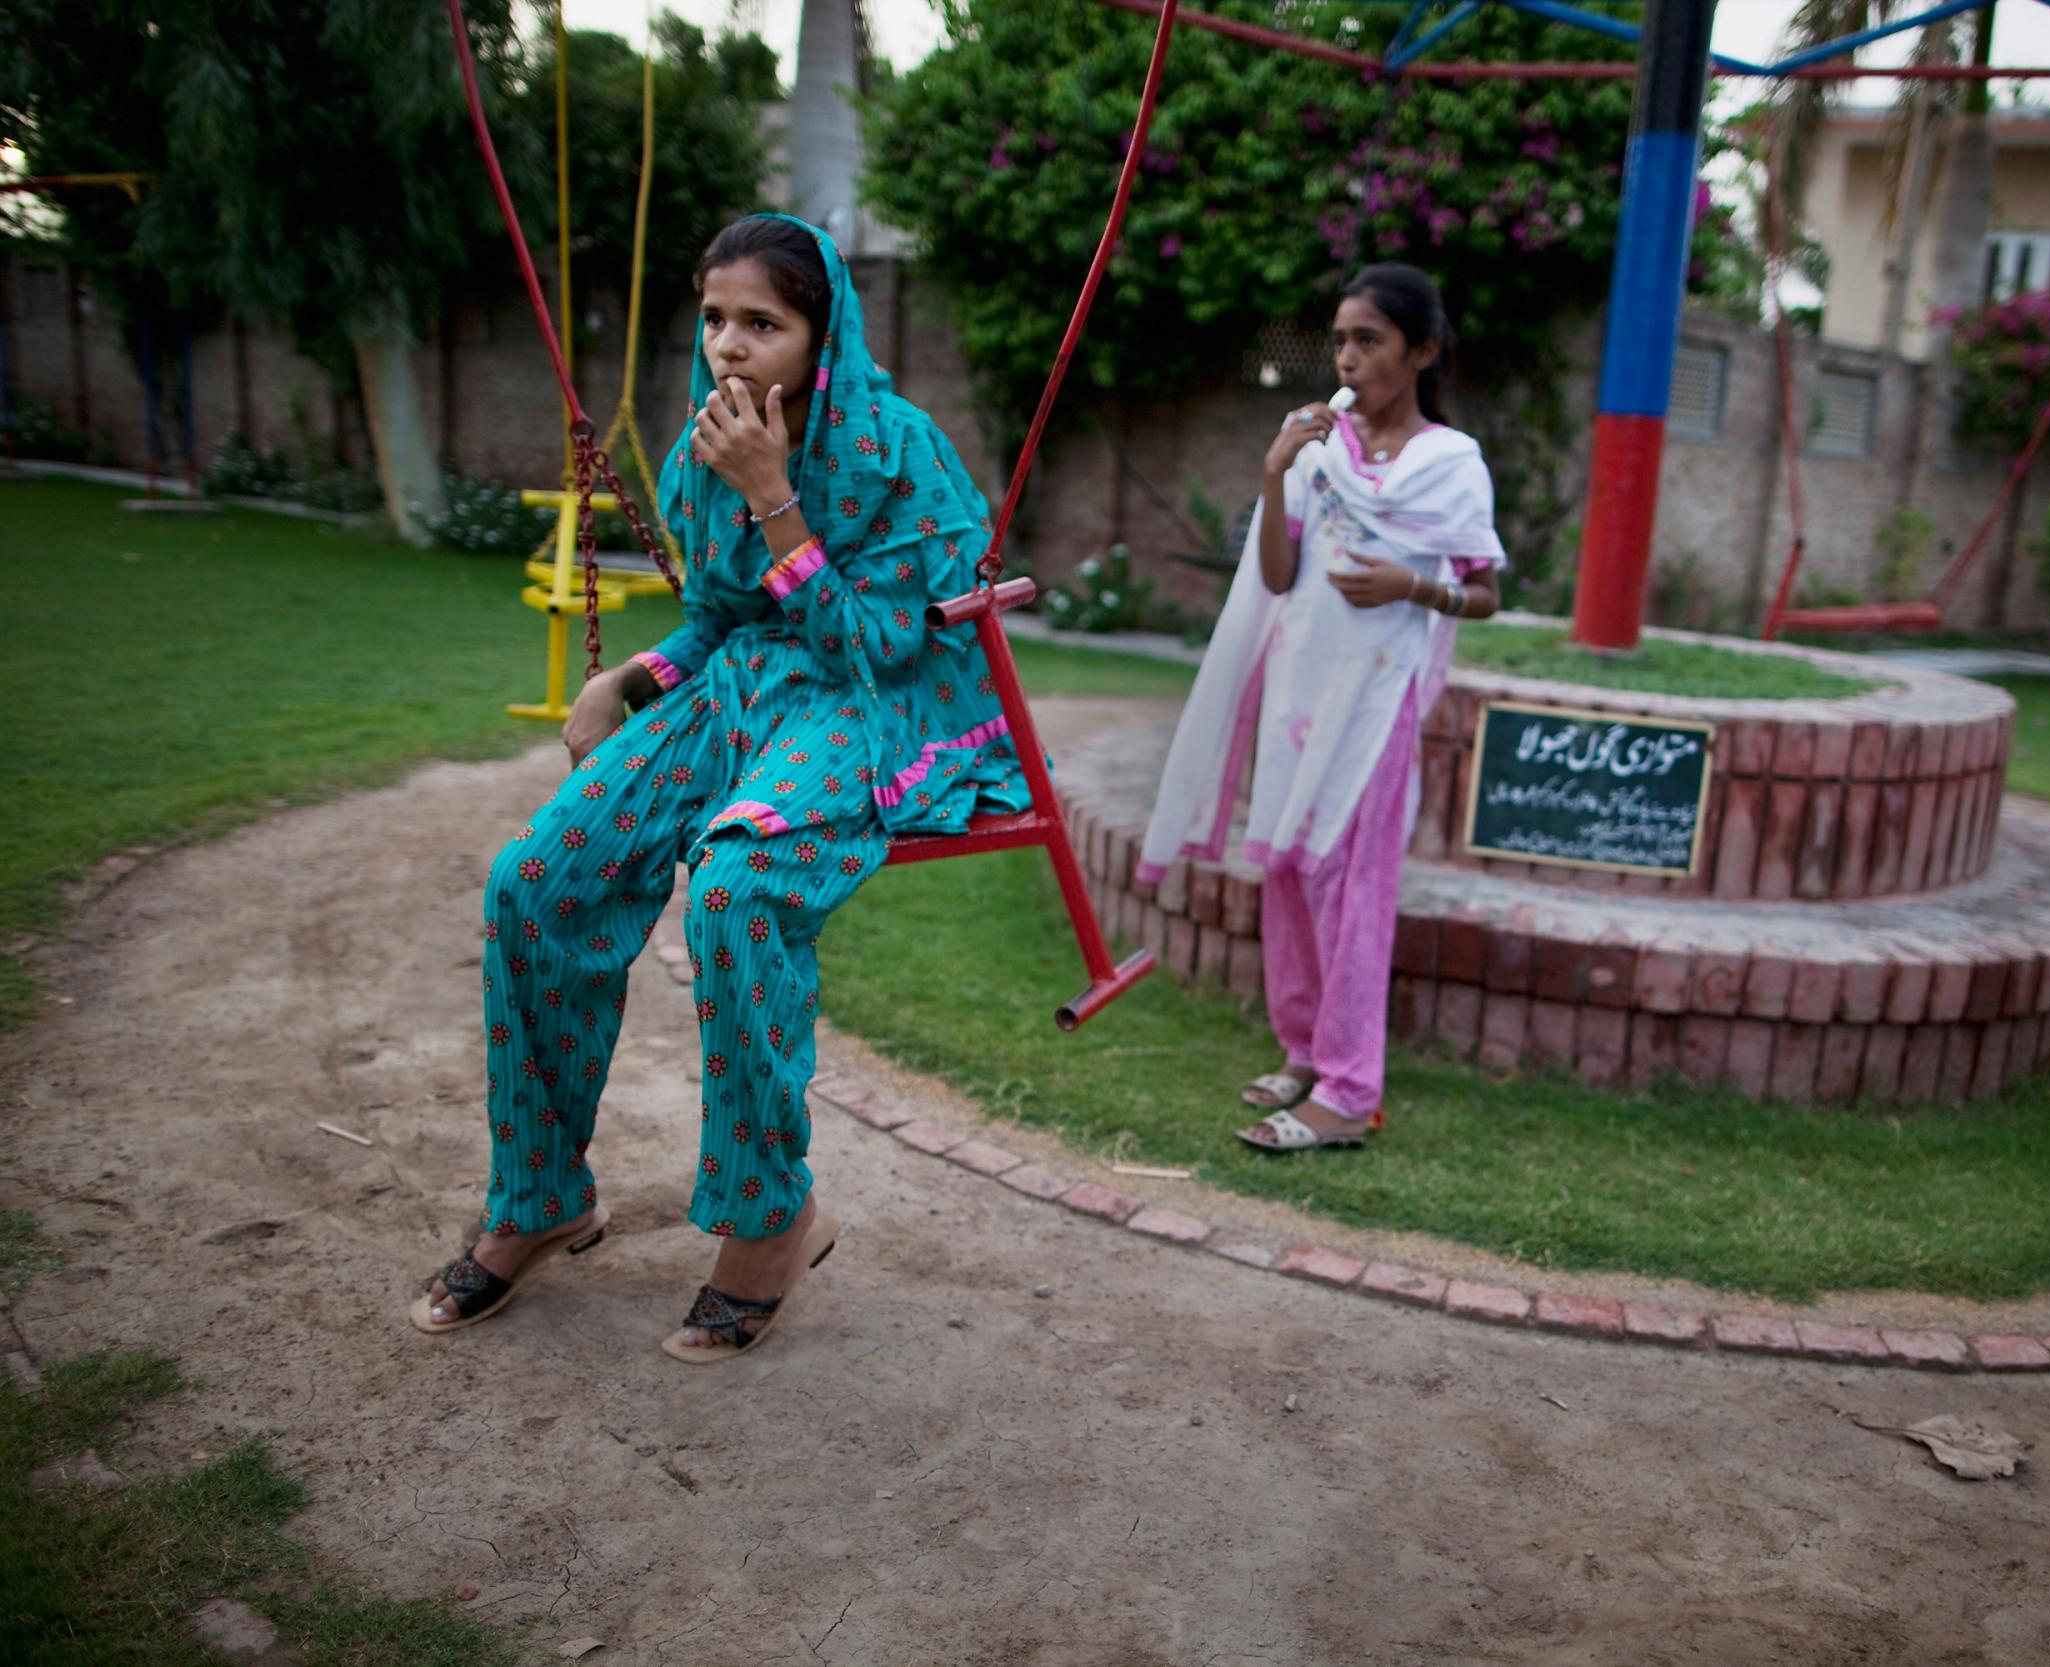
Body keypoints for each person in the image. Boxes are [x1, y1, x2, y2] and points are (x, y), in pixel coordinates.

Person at [414, 213, 1027, 1358]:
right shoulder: (711, 442)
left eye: (762, 322)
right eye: (714, 320)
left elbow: (871, 646)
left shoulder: (900, 450)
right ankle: (542, 1193)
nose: (729, 347)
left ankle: (769, 1217)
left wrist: (773, 491)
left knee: (738, 891)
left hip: (867, 706)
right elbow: (718, 617)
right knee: (534, 880)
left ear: (820, 329)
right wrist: (638, 678)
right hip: (741, 684)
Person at [1139, 264, 1505, 1152]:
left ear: (1421, 351)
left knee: (1352, 885)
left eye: (1368, 340)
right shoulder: (1314, 447)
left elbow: (1486, 591)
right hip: (1299, 688)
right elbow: (1274, 574)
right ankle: (1304, 1048)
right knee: (1292, 871)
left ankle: (1347, 1091)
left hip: (1376, 699)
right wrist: (1275, 471)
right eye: (1339, 339)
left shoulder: (1451, 464)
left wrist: (1413, 585)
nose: (1346, 357)